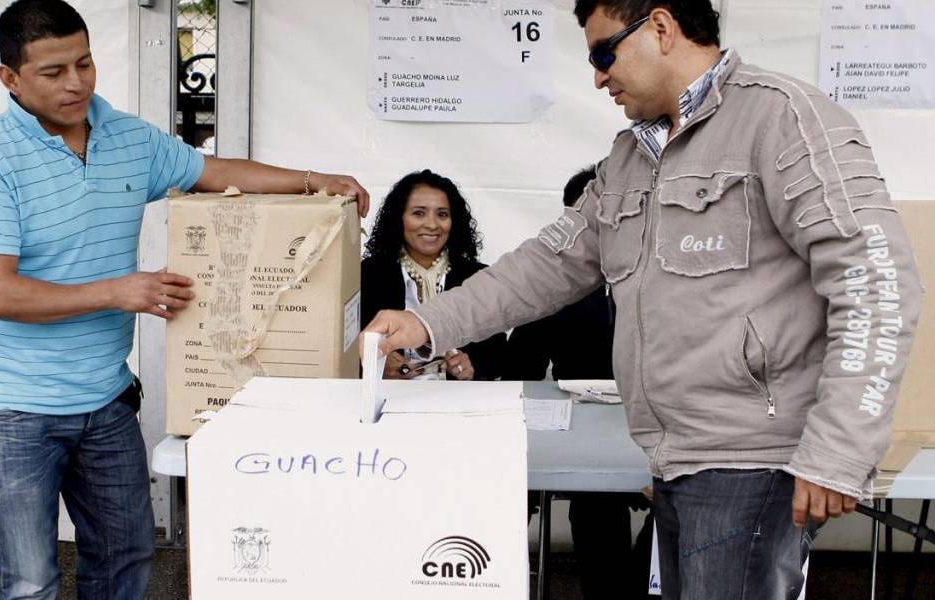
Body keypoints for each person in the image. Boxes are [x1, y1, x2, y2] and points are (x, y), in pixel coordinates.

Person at [363, 2, 922, 598]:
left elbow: (877, 284)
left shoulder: (784, 118)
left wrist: (838, 451)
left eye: (604, 53)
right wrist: (426, 322)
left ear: (660, 27)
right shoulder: (629, 159)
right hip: (673, 463)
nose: (597, 77)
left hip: (754, 465)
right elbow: (543, 266)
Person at [0, 1, 369, 598]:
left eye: (85, 63)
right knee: (32, 580)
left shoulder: (126, 137)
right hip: (11, 402)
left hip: (105, 393)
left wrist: (313, 181)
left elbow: (213, 172)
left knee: (125, 556)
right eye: (53, 72)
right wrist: (119, 291)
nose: (76, 83)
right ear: (9, 78)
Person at [507, 165, 652, 599]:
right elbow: (520, 369)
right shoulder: (555, 288)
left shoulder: (662, 276)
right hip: (588, 439)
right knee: (597, 502)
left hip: (663, 434)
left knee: (688, 502)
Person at [361, 169, 506, 381]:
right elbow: (345, 347)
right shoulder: (368, 275)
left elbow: (498, 355)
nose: (432, 224)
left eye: (442, 214)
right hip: (390, 396)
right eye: (419, 213)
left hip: (460, 397)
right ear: (399, 218)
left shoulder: (477, 276)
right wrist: (375, 363)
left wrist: (472, 367)